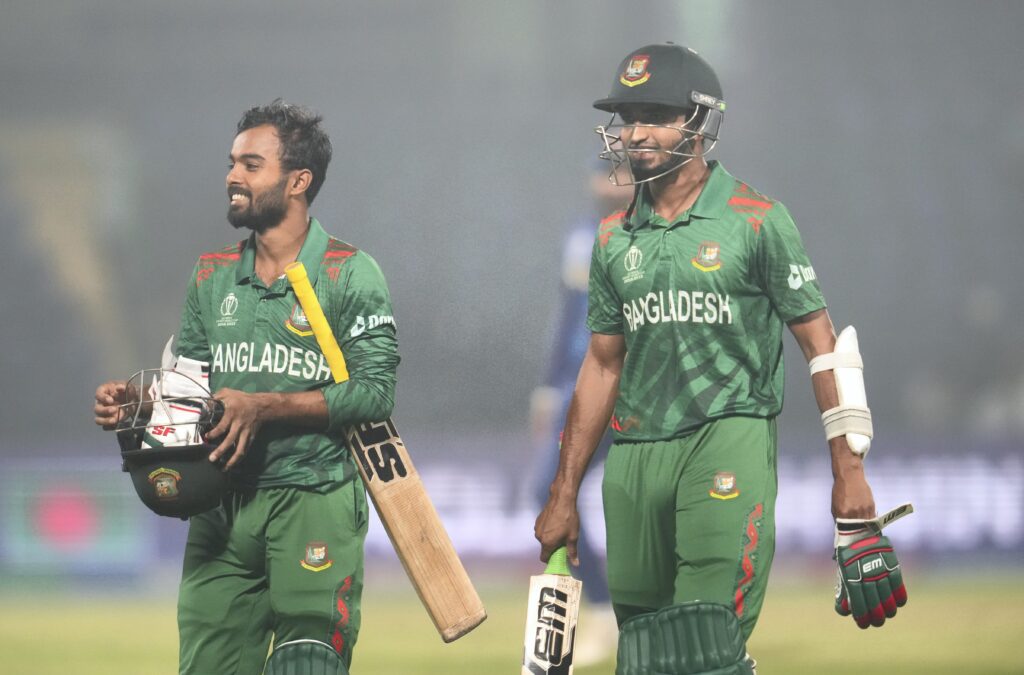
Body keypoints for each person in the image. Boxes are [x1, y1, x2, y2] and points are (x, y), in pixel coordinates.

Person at [534, 43, 907, 674]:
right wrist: (564, 489)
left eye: (654, 114)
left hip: (726, 437)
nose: (634, 133)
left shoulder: (757, 221)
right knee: (646, 655)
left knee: (705, 646)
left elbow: (824, 348)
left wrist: (850, 473)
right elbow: (601, 367)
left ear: (698, 123)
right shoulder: (611, 237)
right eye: (627, 118)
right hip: (632, 459)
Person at [93, 100, 399, 675]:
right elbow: (190, 392)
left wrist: (265, 407)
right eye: (232, 163)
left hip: (314, 496)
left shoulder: (350, 272)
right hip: (221, 503)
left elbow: (376, 393)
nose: (233, 176)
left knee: (306, 662)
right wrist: (142, 401)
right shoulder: (210, 275)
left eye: (251, 165)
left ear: (298, 181)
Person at [528, 163, 631, 665]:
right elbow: (568, 315)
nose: (606, 183)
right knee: (548, 490)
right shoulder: (581, 236)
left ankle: (669, 613)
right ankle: (601, 609)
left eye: (618, 175)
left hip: (635, 388)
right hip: (578, 389)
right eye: (602, 173)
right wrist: (549, 389)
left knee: (647, 498)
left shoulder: (653, 231)